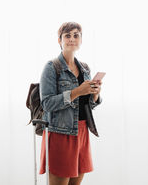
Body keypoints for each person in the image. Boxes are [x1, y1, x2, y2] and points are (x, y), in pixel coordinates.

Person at [39, 22, 103, 185]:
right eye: (67, 35)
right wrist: (77, 92)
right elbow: (46, 103)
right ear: (59, 40)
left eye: (76, 35)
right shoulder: (52, 67)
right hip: (60, 134)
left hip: (82, 132)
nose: (72, 39)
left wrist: (95, 95)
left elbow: (88, 105)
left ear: (81, 40)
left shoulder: (85, 69)